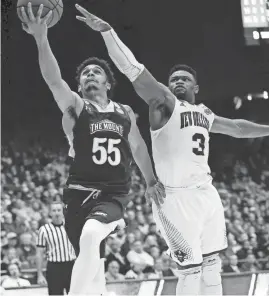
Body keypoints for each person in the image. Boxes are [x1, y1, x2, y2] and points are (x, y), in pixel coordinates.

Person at [74, 5, 269, 295]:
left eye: (184, 79)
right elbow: (133, 70)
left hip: (206, 193)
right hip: (173, 198)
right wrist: (108, 33)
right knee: (190, 273)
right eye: (174, 78)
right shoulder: (164, 104)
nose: (177, 81)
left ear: (196, 87)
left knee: (212, 267)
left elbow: (238, 128)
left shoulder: (204, 113)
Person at [20, 3, 164, 295]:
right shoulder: (75, 107)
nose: (89, 75)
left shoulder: (124, 112)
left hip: (112, 193)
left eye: (96, 72)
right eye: (85, 73)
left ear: (108, 83)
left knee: (90, 237)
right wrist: (41, 37)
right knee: (91, 256)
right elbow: (52, 80)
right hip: (77, 194)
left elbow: (137, 147)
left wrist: (151, 182)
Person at [36, 202, 76, 295]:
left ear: (63, 212)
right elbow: (39, 254)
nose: (57, 213)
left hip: (71, 266)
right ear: (50, 213)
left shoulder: (71, 226)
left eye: (59, 210)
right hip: (54, 268)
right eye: (54, 210)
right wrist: (39, 275)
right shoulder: (44, 229)